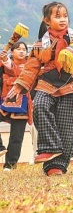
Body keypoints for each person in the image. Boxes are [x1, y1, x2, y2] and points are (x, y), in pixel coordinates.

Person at [7, 2, 73, 176]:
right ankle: (49, 148)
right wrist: (18, 85)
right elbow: (32, 67)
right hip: (46, 85)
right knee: (40, 106)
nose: (62, 20)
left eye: (65, 16)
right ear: (47, 20)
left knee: (66, 129)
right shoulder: (40, 44)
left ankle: (57, 167)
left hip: (70, 87)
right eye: (57, 16)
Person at [0, 42, 31, 170]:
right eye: (18, 49)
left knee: (16, 137)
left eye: (24, 49)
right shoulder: (3, 64)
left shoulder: (30, 65)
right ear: (12, 51)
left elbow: (16, 71)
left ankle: (10, 165)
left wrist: (6, 60)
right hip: (4, 101)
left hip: (23, 103)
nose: (22, 51)